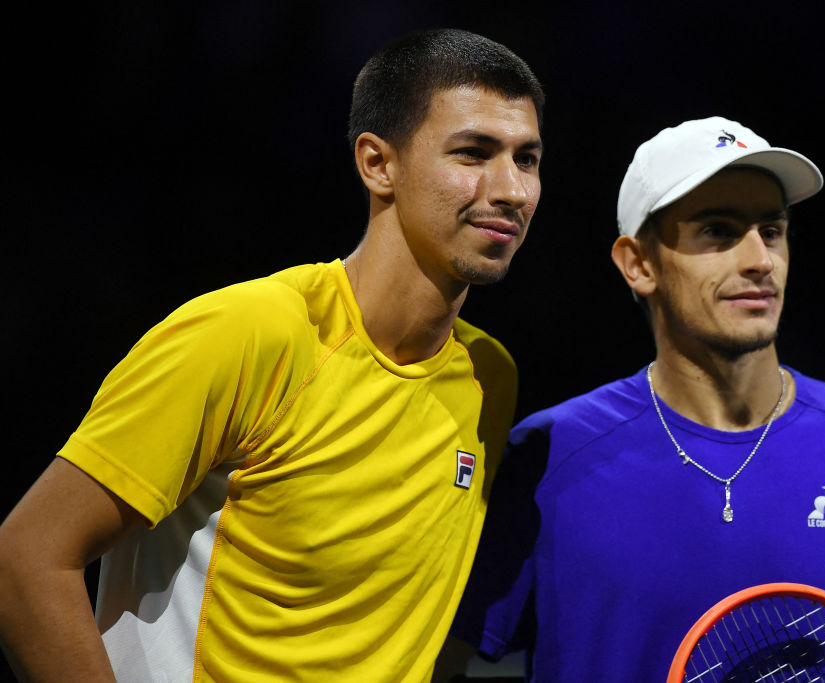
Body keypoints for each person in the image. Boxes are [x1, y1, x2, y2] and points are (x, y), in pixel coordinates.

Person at [0, 28, 543, 682]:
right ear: (378, 164)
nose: (511, 189)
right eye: (473, 153)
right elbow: (24, 559)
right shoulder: (247, 333)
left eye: (527, 159)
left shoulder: (489, 377)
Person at [450, 116, 825, 682]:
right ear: (638, 264)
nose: (759, 260)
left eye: (771, 230)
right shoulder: (547, 456)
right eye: (719, 231)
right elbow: (433, 664)